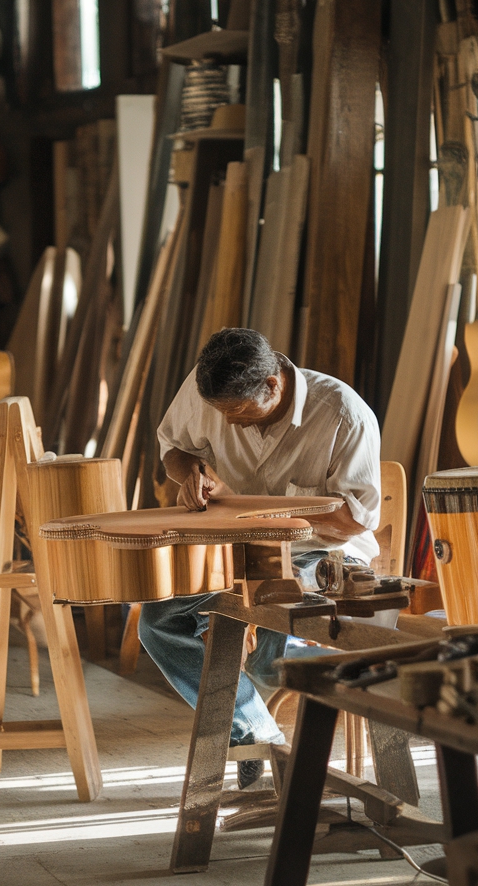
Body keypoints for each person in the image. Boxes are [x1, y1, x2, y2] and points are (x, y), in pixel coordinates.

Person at [138, 328, 382, 788]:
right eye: (221, 414)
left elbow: (356, 520)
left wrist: (274, 512)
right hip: (236, 547)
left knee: (270, 615)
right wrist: (189, 472)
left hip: (320, 552)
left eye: (240, 415)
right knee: (158, 621)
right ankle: (258, 731)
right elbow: (174, 446)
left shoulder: (343, 414)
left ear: (273, 385)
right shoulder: (207, 388)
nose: (229, 426)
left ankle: (270, 693)